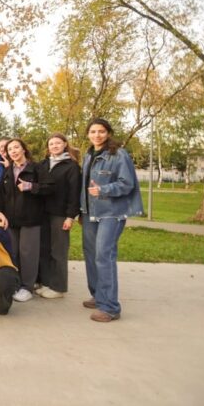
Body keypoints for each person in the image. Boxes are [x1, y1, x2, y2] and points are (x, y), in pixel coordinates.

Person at [80, 118, 143, 322]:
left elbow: (127, 183)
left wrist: (103, 190)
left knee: (104, 256)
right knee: (91, 254)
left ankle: (110, 307)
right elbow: (84, 186)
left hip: (111, 213)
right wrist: (82, 210)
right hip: (90, 213)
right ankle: (99, 296)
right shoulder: (88, 155)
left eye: (101, 131)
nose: (97, 135)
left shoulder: (118, 154)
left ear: (108, 133)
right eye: (93, 131)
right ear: (88, 134)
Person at [0, 138, 52, 303]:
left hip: (30, 219)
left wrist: (31, 186)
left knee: (28, 254)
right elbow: (1, 194)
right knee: (13, 252)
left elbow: (50, 187)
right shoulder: (8, 170)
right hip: (11, 220)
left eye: (16, 147)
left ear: (23, 149)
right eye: (10, 149)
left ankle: (27, 287)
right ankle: (16, 283)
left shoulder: (36, 168)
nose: (13, 151)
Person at [38, 133, 81, 299]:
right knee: (45, 249)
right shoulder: (43, 164)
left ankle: (58, 287)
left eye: (58, 143)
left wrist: (70, 216)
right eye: (51, 144)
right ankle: (46, 283)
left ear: (64, 145)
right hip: (43, 213)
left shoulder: (71, 166)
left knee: (59, 251)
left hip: (60, 214)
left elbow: (74, 193)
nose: (54, 146)